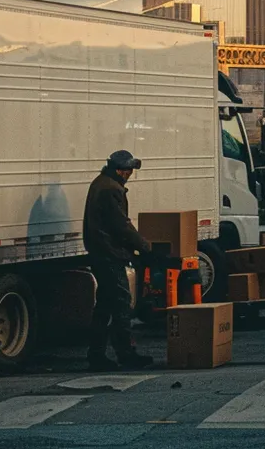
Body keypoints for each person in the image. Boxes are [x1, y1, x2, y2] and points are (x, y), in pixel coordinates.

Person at [82, 150, 156, 371]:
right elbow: (121, 225)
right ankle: (125, 354)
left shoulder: (102, 183)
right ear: (120, 170)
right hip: (109, 255)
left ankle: (96, 355)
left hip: (102, 253)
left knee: (104, 306)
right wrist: (145, 247)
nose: (131, 174)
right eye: (129, 170)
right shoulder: (110, 189)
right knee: (121, 304)